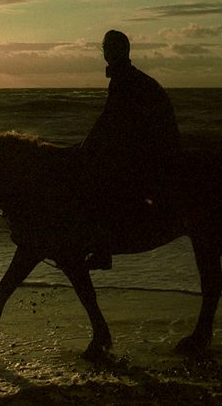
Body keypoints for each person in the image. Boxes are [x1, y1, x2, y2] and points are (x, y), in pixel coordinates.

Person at [79, 30, 182, 270]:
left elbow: (110, 121)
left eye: (110, 49)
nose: (107, 53)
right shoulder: (129, 76)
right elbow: (113, 123)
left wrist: (87, 148)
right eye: (106, 49)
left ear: (122, 51)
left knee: (98, 183)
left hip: (152, 150)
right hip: (153, 143)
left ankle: (104, 250)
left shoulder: (124, 79)